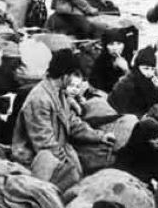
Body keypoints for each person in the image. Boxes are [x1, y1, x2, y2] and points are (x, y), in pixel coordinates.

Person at [12, 48, 114, 190]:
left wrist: (100, 136)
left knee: (105, 153)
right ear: (65, 75)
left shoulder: (59, 92)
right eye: (73, 74)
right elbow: (44, 144)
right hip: (37, 159)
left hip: (60, 149)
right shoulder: (40, 99)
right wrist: (68, 166)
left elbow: (73, 123)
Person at [109, 47, 158, 116]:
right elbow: (121, 110)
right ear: (137, 67)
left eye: (152, 69)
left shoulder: (151, 83)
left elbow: (154, 107)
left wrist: (157, 89)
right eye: (146, 68)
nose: (149, 73)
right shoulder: (125, 84)